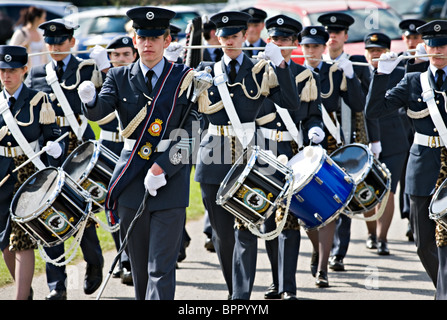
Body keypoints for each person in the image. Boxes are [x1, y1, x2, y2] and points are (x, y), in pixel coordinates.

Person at [78, 6, 201, 300]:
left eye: (155, 37)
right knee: (139, 269)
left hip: (169, 180)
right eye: (142, 37)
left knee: (161, 266)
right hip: (132, 178)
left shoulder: (184, 77)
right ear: (134, 40)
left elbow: (194, 132)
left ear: (167, 40)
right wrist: (89, 99)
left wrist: (163, 168)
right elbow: (100, 111)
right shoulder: (119, 77)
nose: (148, 44)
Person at [194, 10, 300, 299]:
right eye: (224, 36)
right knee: (222, 234)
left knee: (247, 228)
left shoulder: (259, 69)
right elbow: (188, 114)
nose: (229, 41)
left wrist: (281, 65)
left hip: (247, 157)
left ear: (244, 36)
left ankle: (240, 296)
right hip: (213, 155)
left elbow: (290, 102)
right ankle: (233, 289)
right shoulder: (205, 68)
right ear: (217, 37)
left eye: (235, 36)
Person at [24, 18, 107, 300]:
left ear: (72, 42)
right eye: (50, 42)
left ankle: (94, 261)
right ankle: (56, 286)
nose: (55, 47)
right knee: (49, 215)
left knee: (82, 211)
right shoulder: (36, 73)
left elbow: (109, 101)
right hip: (49, 151)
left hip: (78, 149)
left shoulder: (85, 68)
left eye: (61, 42)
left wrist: (103, 68)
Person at [365, 20, 447, 299]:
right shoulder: (414, 80)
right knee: (425, 243)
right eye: (432, 45)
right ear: (424, 47)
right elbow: (374, 110)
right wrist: (380, 75)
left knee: (445, 243)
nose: (437, 51)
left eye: (443, 45)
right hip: (423, 165)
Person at [257, 14, 323, 300]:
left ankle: (289, 287)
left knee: (289, 221)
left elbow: (312, 115)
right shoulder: (255, 71)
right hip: (263, 152)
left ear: (295, 43)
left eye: (284, 39)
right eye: (274, 38)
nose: (279, 43)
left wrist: (316, 129)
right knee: (268, 220)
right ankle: (274, 281)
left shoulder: (305, 75)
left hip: (293, 152)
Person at [300, 25, 365, 287]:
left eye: (316, 46)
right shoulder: (295, 73)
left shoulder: (334, 73)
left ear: (324, 47)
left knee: (331, 204)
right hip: (302, 146)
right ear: (301, 48)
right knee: (306, 206)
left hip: (331, 144)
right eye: (307, 46)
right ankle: (317, 249)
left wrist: (353, 78)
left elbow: (358, 105)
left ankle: (323, 265)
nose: (312, 51)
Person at [317, 12, 380, 271]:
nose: (332, 36)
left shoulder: (356, 64)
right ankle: (321, 251)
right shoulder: (314, 65)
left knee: (344, 196)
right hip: (319, 140)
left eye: (338, 32)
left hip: (349, 139)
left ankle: (338, 253)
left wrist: (351, 77)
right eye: (328, 32)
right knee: (321, 196)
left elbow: (365, 105)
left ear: (345, 36)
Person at [0, 45, 64, 299]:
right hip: (1, 176)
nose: (7, 76)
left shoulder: (39, 100)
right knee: (4, 243)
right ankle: (24, 292)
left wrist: (55, 151)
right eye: (2, 70)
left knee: (21, 241)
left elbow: (53, 138)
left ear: (24, 70)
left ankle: (19, 297)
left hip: (28, 177)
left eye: (13, 70)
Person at [360, 33, 409, 255]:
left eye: (379, 50)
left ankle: (382, 238)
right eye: (371, 50)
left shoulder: (399, 72)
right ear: (365, 53)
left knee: (388, 191)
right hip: (365, 139)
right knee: (368, 191)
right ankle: (370, 234)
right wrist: (372, 140)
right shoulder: (359, 73)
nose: (375, 54)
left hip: (394, 139)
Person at [99, 35, 137, 285]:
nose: (121, 59)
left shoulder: (140, 78)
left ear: (134, 55)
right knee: (112, 204)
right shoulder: (104, 76)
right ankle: (123, 258)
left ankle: (133, 259)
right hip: (109, 144)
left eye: (126, 54)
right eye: (116, 55)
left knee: (134, 204)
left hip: (133, 146)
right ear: (109, 58)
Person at [398, 19, 425, 242]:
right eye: (408, 37)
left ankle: (415, 219)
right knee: (406, 172)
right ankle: (409, 216)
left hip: (422, 125)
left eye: (415, 37)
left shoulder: (428, 61)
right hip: (400, 125)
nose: (411, 41)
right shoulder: (398, 61)